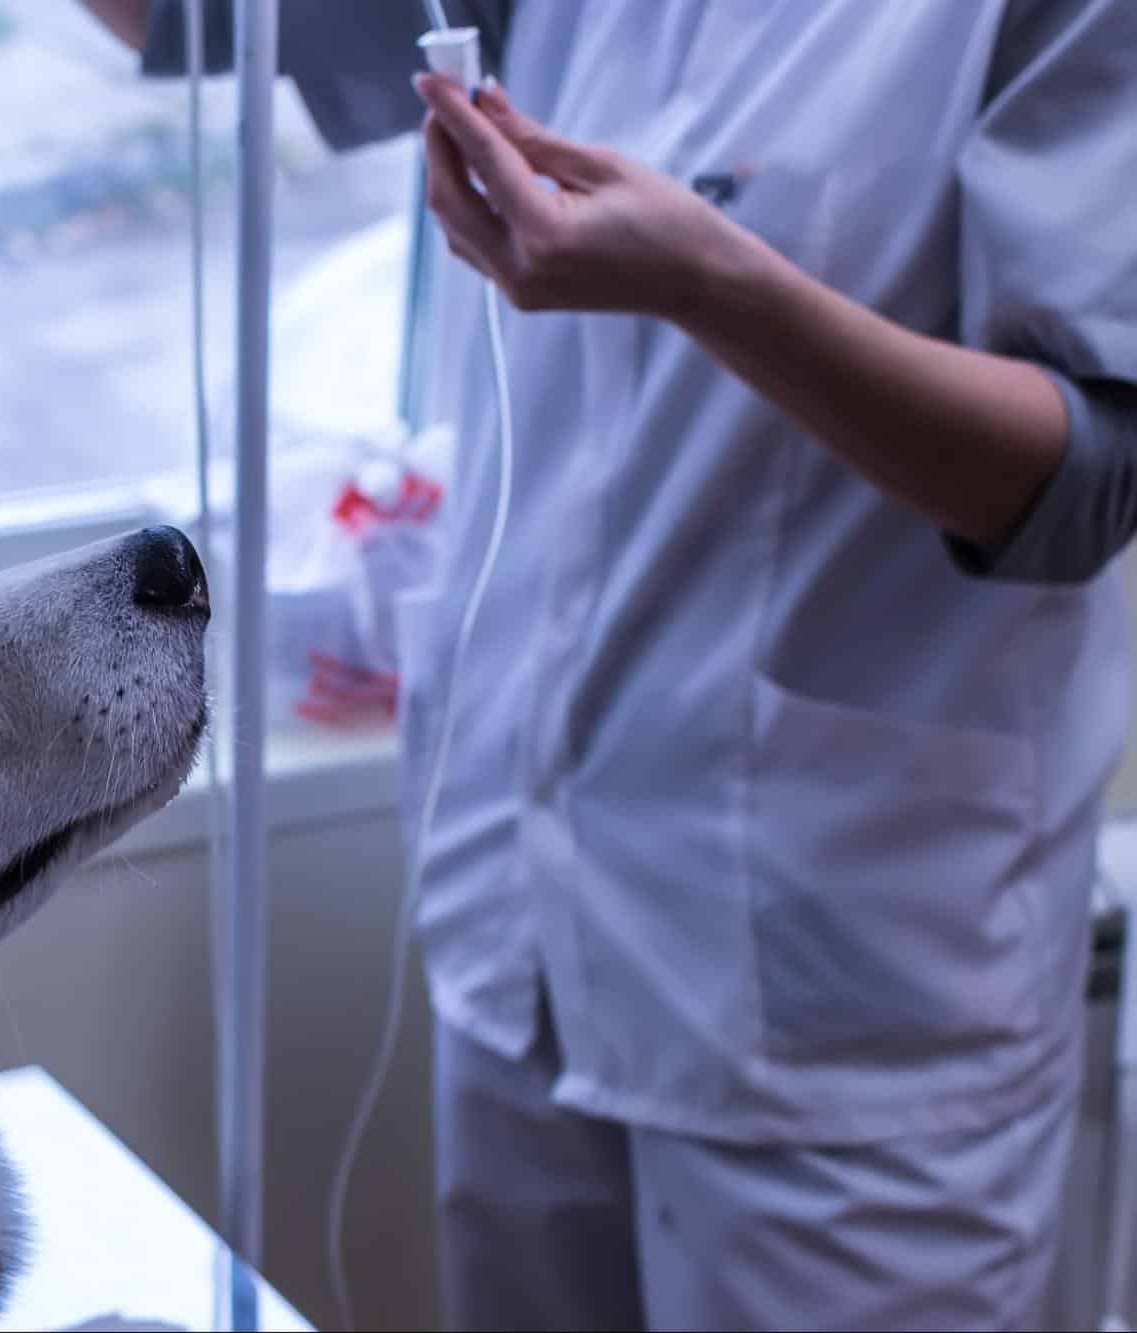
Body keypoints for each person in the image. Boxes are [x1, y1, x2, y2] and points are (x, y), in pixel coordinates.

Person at [82, 1, 1137, 1329]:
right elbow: (184, 16)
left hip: (852, 969)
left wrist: (717, 285)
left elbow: (1085, 476)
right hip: (525, 917)